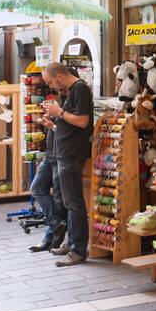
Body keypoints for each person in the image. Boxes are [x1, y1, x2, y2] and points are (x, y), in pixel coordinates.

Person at [41, 62, 92, 267]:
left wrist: (59, 111)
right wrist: (53, 121)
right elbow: (70, 124)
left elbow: (82, 121)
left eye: (51, 82)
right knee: (68, 202)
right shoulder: (71, 91)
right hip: (64, 152)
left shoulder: (80, 88)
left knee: (74, 202)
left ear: (60, 76)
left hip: (72, 154)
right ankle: (71, 243)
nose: (51, 86)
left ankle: (78, 250)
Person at [27, 105, 66, 252]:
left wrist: (53, 126)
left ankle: (50, 237)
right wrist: (45, 123)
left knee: (58, 198)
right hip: (49, 156)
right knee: (36, 188)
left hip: (60, 157)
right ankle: (56, 225)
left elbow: (68, 134)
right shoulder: (54, 114)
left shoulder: (66, 110)